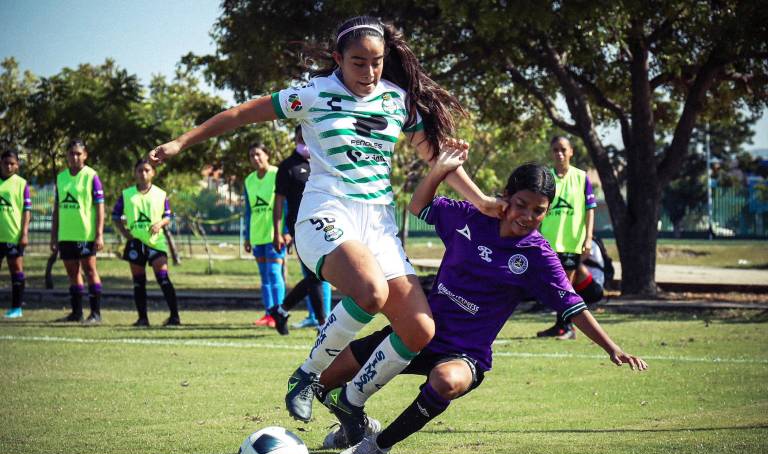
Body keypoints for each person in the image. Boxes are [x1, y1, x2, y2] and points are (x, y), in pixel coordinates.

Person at [148, 16, 503, 428]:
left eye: (377, 62)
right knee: (370, 292)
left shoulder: (396, 100)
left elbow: (437, 158)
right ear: (337, 58)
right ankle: (307, 374)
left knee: (420, 330)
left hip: (379, 225)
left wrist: (480, 200)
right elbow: (241, 113)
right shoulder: (313, 94)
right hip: (327, 212)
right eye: (358, 62)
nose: (369, 72)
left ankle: (349, 400)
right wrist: (180, 142)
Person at [318, 154, 648, 454]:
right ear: (505, 197)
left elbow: (572, 306)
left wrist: (612, 348)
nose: (527, 217)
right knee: (325, 380)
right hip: (417, 334)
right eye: (521, 205)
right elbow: (419, 205)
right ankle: (356, 426)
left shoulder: (538, 255)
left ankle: (376, 446)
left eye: (539, 211)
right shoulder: (471, 217)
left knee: (446, 380)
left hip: (465, 354)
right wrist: (438, 170)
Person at [268, 125, 332, 335]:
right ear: (295, 139)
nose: (305, 142)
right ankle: (322, 323)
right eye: (301, 138)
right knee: (315, 275)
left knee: (321, 274)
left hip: (324, 225)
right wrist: (278, 232)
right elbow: (279, 202)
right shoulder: (288, 167)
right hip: (300, 228)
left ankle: (281, 309)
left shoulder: (321, 163)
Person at [536, 135, 597, 340]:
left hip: (571, 242)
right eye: (555, 150)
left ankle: (568, 328)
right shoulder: (546, 178)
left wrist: (588, 239)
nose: (559, 153)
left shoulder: (581, 178)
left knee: (565, 287)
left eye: (563, 149)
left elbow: (590, 210)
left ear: (571, 151)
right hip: (547, 242)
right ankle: (560, 325)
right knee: (553, 286)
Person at [112, 159, 180, 326]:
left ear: (153, 173)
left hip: (156, 243)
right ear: (135, 173)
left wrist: (160, 224)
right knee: (138, 281)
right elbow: (115, 216)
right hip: (136, 243)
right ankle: (142, 318)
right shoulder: (127, 194)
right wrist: (125, 233)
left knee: (163, 278)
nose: (143, 173)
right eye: (140, 170)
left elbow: (168, 216)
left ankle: (174, 317)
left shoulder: (161, 194)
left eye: (147, 170)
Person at [50, 139, 105, 323]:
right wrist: (54, 235)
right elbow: (57, 208)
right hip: (66, 234)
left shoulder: (91, 176)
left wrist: (98, 234)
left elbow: (100, 207)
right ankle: (77, 313)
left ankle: (96, 314)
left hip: (85, 234)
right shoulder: (61, 177)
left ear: (85, 155)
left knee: (90, 271)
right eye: (71, 153)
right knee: (72, 274)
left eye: (78, 153)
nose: (74, 157)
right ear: (66, 155)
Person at [243, 142, 285, 328]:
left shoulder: (278, 174)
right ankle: (269, 314)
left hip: (275, 235)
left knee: (274, 273)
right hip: (257, 235)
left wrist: (285, 232)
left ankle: (280, 313)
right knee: (264, 277)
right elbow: (247, 210)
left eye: (258, 154)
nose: (255, 158)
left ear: (267, 155)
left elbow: (287, 205)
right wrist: (246, 235)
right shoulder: (249, 180)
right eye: (252, 155)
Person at [0, 150, 31, 318]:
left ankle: (17, 308)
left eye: (12, 163)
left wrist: (24, 233)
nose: (9, 166)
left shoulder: (21, 184)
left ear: (17, 165)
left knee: (16, 270)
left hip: (13, 235)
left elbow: (27, 210)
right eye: (6, 163)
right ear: (1, 163)